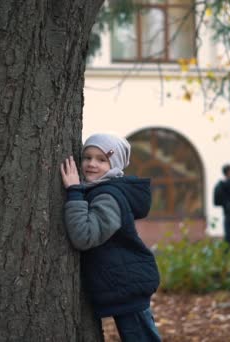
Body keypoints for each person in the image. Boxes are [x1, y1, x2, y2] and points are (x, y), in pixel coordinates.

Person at [60, 133, 161, 342]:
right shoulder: (100, 190)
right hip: (121, 282)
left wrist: (74, 191)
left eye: (101, 159)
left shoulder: (109, 196)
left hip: (127, 285)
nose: (91, 164)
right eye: (87, 157)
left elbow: (84, 236)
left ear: (114, 164)